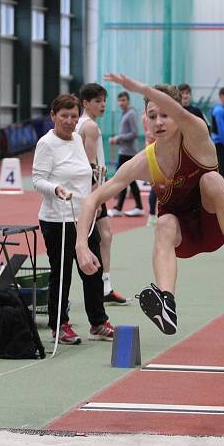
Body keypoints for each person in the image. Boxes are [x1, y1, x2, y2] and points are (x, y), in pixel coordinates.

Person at [75, 74, 224, 336]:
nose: (158, 122)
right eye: (152, 116)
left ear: (177, 114)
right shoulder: (143, 162)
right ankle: (167, 305)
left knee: (213, 180)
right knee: (163, 221)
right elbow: (92, 199)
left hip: (215, 225)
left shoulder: (196, 136)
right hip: (181, 237)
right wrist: (81, 244)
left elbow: (179, 114)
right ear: (145, 120)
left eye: (165, 115)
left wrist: (140, 88)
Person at [33, 93, 115, 344]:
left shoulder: (78, 140)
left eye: (73, 116)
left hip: (84, 219)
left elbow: (84, 174)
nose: (69, 121)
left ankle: (98, 322)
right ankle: (60, 324)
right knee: (62, 273)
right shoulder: (46, 144)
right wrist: (56, 189)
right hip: (56, 219)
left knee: (93, 268)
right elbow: (37, 180)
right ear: (53, 116)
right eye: (64, 116)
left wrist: (96, 195)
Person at [75, 83, 128, 305]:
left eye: (104, 100)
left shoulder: (82, 125)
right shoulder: (90, 128)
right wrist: (95, 199)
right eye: (97, 101)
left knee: (106, 235)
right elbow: (90, 166)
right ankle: (100, 288)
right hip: (90, 191)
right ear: (85, 103)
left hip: (90, 190)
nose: (103, 105)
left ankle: (106, 286)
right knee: (89, 241)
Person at [109, 91, 143, 217]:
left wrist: (118, 138)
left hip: (128, 153)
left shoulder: (131, 114)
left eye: (123, 100)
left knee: (123, 179)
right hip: (124, 151)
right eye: (119, 101)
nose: (121, 103)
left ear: (128, 101)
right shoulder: (124, 114)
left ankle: (121, 207)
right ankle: (135, 206)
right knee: (127, 180)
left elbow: (134, 133)